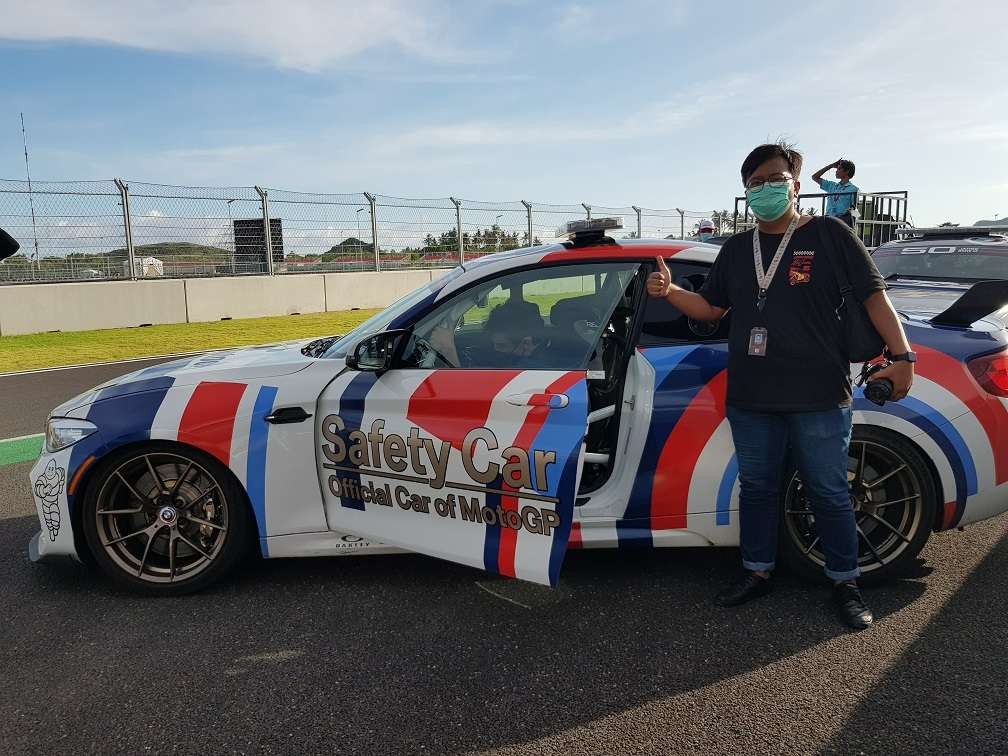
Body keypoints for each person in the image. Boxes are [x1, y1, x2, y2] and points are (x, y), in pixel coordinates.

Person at [647, 142, 915, 631]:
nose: (764, 189)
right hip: (752, 395)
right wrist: (672, 293)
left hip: (819, 393)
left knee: (830, 491)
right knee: (759, 489)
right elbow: (711, 310)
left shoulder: (832, 234)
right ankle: (757, 572)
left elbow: (875, 298)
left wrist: (903, 357)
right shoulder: (734, 249)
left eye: (774, 179)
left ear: (796, 183)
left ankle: (845, 581)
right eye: (754, 183)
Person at [813, 158, 859, 228]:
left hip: (841, 224)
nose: (836, 171)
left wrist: (854, 226)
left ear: (847, 171)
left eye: (839, 169)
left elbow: (855, 211)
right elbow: (814, 177)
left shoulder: (853, 189)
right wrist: (831, 166)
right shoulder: (831, 185)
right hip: (828, 221)